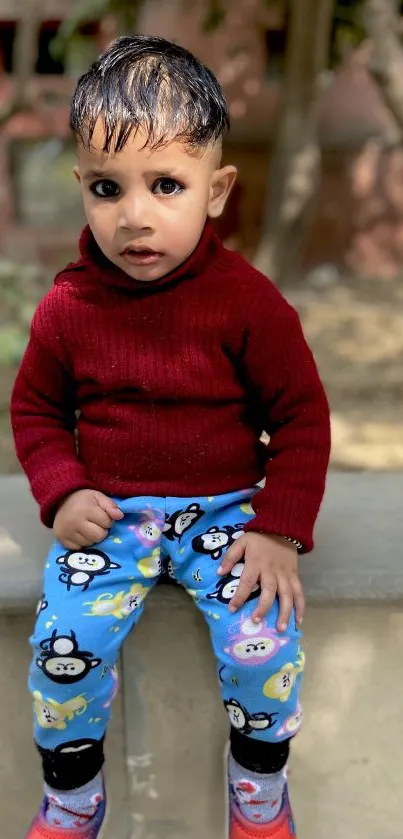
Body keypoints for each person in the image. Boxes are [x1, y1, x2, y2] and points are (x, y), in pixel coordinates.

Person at [11, 34, 330, 839]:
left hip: (225, 515)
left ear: (215, 189)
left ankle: (258, 788)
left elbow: (300, 417)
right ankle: (72, 797)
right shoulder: (69, 308)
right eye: (108, 188)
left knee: (262, 644)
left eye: (165, 184)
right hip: (109, 518)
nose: (136, 214)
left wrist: (278, 530)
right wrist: (63, 487)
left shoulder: (246, 304)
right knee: (65, 646)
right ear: (82, 187)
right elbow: (37, 411)